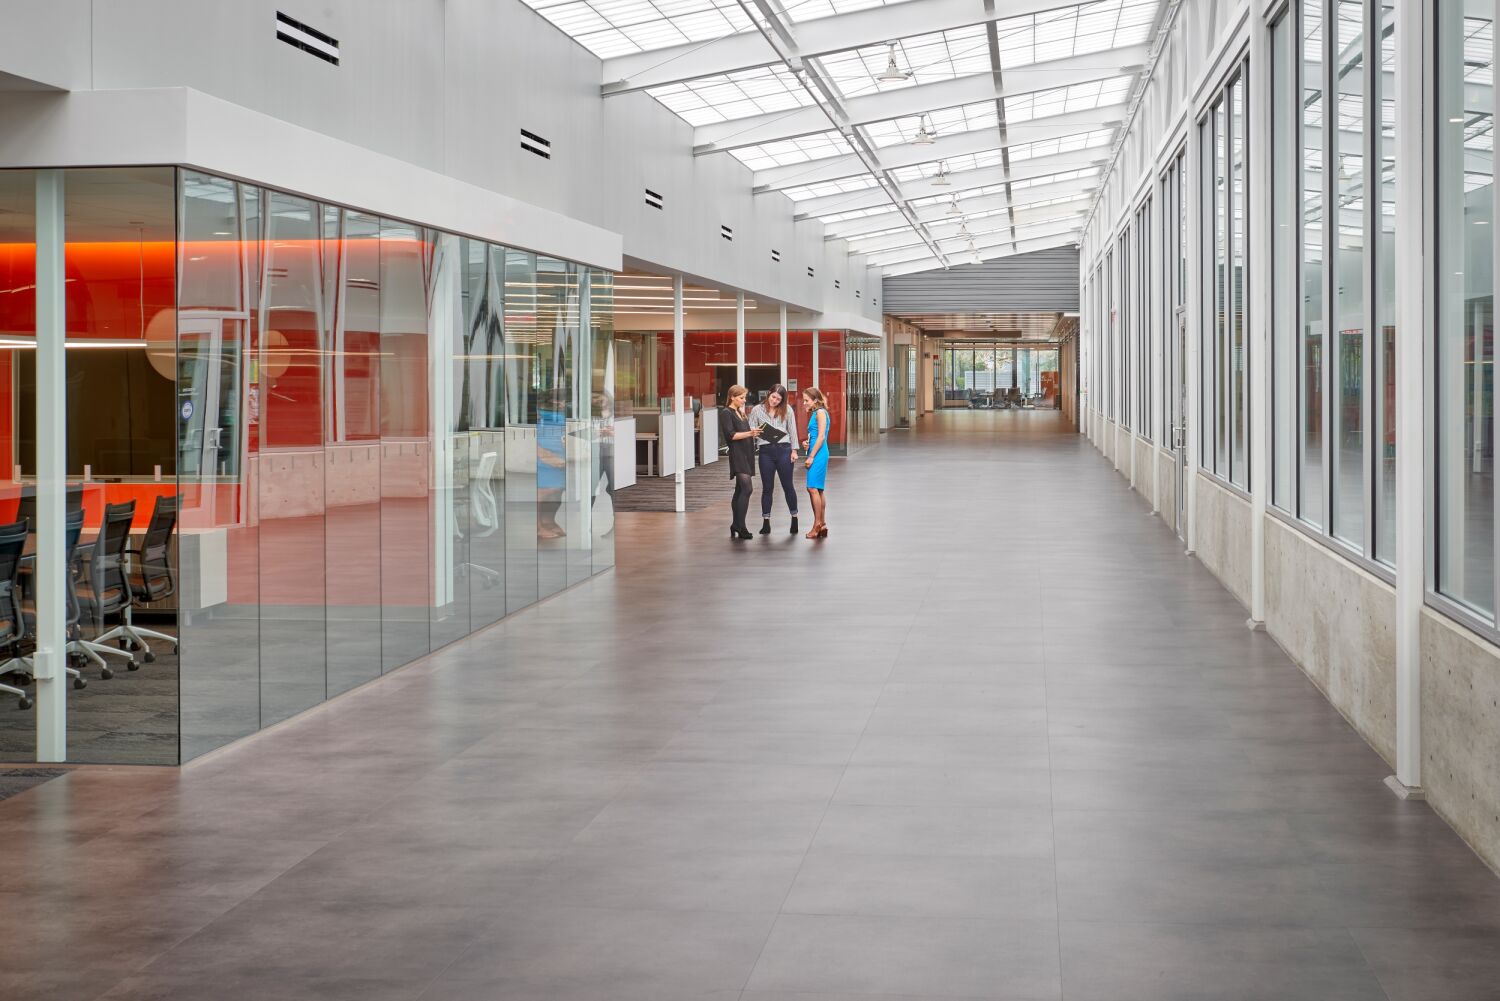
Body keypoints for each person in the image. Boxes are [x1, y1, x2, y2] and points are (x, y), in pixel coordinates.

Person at [749, 384, 800, 536]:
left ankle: (794, 517)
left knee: (787, 485)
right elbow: (751, 429)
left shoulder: (787, 409)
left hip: (784, 450)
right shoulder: (756, 410)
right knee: (767, 487)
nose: (775, 401)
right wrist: (758, 433)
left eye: (779, 399)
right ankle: (766, 522)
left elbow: (792, 430)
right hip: (765, 451)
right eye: (773, 397)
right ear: (768, 394)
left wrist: (794, 450)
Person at [719, 384, 762, 540]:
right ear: (732, 397)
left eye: (744, 397)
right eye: (741, 397)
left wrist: (753, 433)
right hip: (738, 454)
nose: (744, 400)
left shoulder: (740, 412)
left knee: (740, 491)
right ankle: (741, 526)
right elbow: (731, 435)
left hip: (747, 453)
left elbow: (744, 433)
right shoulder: (726, 413)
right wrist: (750, 432)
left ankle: (735, 524)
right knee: (747, 489)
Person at [801, 386, 830, 539]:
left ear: (816, 400)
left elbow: (821, 437)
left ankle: (817, 525)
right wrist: (807, 443)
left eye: (807, 400)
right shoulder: (815, 413)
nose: (804, 403)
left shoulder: (820, 413)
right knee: (817, 489)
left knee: (812, 488)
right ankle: (822, 524)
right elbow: (815, 436)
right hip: (816, 451)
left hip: (818, 454)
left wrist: (811, 456)